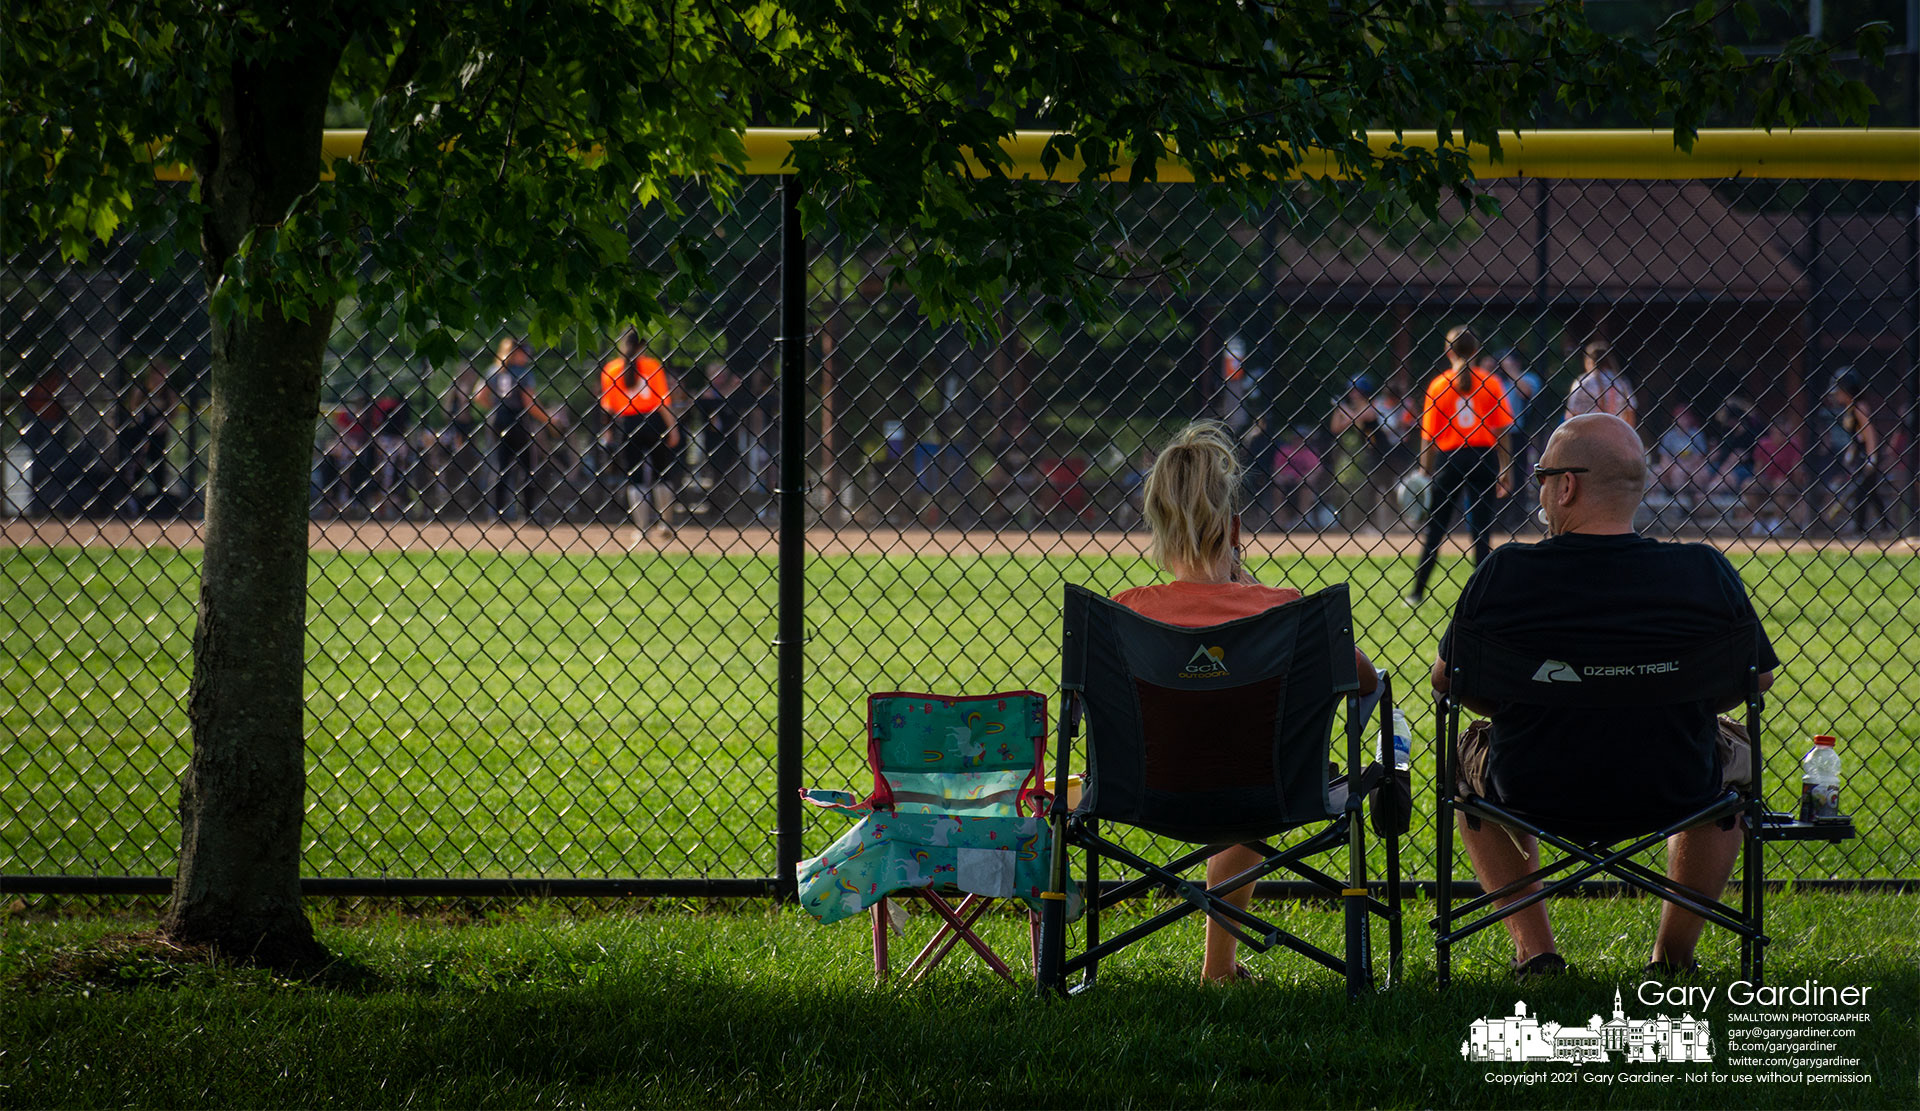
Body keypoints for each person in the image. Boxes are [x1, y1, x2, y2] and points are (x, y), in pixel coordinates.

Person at [1430, 413, 1778, 978]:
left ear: (1567, 486)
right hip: (1676, 781)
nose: (1539, 486)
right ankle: (1672, 956)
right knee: (1734, 761)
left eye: (1542, 473)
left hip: (1530, 782)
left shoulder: (1506, 573)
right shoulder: (1703, 570)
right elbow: (1755, 681)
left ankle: (1535, 952)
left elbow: (1450, 683)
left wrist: (1547, 696)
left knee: (1464, 760)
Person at [1114, 422, 1379, 983]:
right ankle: (1220, 967)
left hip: (1144, 792)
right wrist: (1246, 588)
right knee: (1247, 764)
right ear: (1236, 528)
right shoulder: (1284, 612)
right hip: (1268, 792)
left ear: (1156, 524)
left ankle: (1217, 967)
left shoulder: (1123, 615)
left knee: (1219, 759)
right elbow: (1365, 681)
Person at [1407, 326, 1513, 606]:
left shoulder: (1439, 384)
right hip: (1483, 456)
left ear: (1447, 351)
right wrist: (1506, 467)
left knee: (1436, 529)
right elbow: (1502, 430)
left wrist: (1424, 471)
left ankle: (1416, 593)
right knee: (1481, 531)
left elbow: (1428, 438)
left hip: (1450, 458)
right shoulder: (1490, 382)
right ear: (1477, 351)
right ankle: (1485, 596)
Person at [598, 329, 680, 537]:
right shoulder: (652, 366)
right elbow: (662, 402)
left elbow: (608, 407)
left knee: (635, 477)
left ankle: (642, 528)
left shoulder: (611, 369)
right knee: (662, 472)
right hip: (654, 421)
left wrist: (607, 432)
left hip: (628, 423)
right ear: (642, 346)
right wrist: (673, 427)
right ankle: (666, 524)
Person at [483, 336, 547, 522]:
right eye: (524, 352)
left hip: (498, 421)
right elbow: (529, 402)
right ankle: (528, 513)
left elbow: (479, 396)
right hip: (518, 420)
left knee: (501, 466)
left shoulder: (494, 370)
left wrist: (496, 407)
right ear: (515, 352)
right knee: (527, 466)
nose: (527, 356)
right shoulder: (523, 372)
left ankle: (497, 513)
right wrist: (548, 420)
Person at [1328, 375, 1386, 533]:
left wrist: (1342, 408)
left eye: (1357, 391)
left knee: (1370, 490)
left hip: (1373, 455)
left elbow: (1357, 420)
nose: (1353, 394)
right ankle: (1348, 523)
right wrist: (1338, 410)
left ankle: (1370, 523)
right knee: (1344, 489)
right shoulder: (1348, 408)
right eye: (1352, 391)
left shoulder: (1370, 407)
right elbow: (1336, 428)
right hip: (1349, 456)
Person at [1564, 339, 1637, 426]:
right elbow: (1630, 411)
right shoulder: (1621, 381)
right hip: (1616, 430)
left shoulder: (1584, 382)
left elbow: (1572, 412)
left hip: (1590, 429)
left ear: (1588, 360)